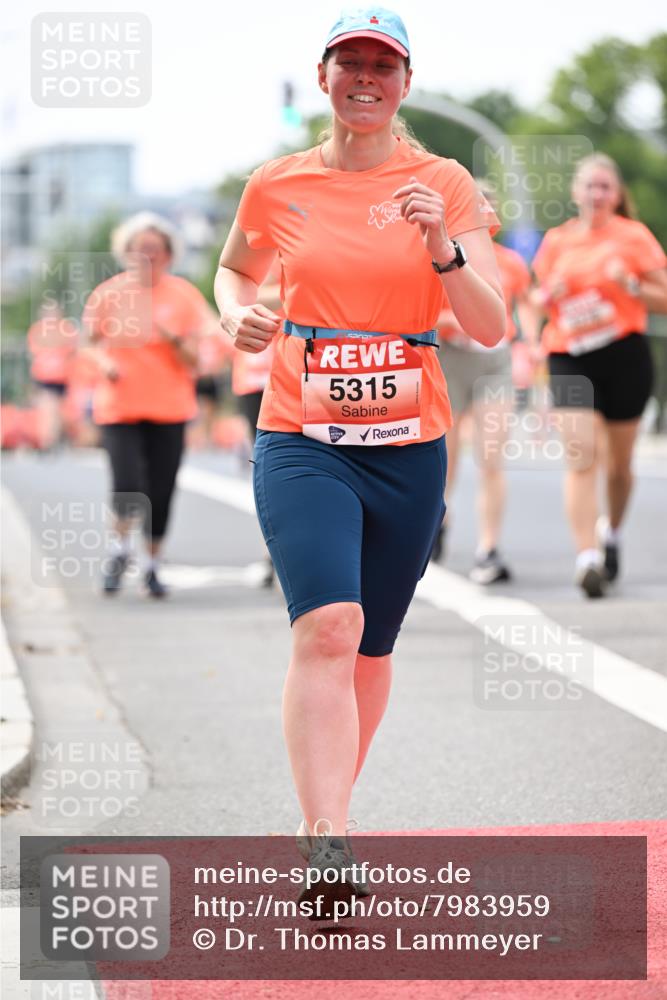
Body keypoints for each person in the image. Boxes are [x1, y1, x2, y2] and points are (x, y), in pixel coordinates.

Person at [215, 7, 504, 907]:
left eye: (384, 63)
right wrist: (238, 316)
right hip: (300, 434)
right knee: (327, 626)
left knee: (371, 644)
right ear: (325, 75)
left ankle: (324, 815)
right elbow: (232, 271)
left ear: (405, 82)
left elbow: (492, 327)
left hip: (409, 443)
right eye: (351, 62)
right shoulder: (277, 184)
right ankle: (328, 841)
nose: (366, 77)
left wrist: (443, 250)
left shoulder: (443, 181)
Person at [530, 153, 667, 597]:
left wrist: (629, 285)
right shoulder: (557, 241)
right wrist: (546, 300)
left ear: (616, 195)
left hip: (624, 354)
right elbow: (534, 300)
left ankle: (611, 534)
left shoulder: (634, 237)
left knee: (620, 468)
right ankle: (587, 557)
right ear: (576, 192)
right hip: (570, 353)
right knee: (582, 454)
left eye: (605, 187)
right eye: (590, 186)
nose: (597, 194)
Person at [82, 212, 211, 598]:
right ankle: (119, 550)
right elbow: (87, 343)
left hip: (170, 407)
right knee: (127, 483)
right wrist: (103, 362)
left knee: (160, 490)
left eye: (155, 250)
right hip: (119, 407)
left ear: (169, 254)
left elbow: (198, 361)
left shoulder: (184, 296)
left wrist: (175, 340)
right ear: (126, 253)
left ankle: (153, 565)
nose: (147, 256)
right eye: (139, 249)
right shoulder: (108, 294)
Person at [432, 181, 537, 582]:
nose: (485, 214)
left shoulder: (509, 261)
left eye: (490, 207)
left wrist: (532, 335)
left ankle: (488, 549)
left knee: (492, 457)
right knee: (447, 458)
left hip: (495, 361)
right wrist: (454, 321)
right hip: (451, 360)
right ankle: (438, 522)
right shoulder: (441, 256)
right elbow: (421, 312)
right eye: (478, 206)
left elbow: (523, 302)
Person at [27, 300, 78, 450]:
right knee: (49, 406)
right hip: (45, 375)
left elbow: (72, 351)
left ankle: (55, 437)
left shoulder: (66, 328)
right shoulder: (38, 329)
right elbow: (34, 352)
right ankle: (48, 439)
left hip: (61, 375)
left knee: (58, 408)